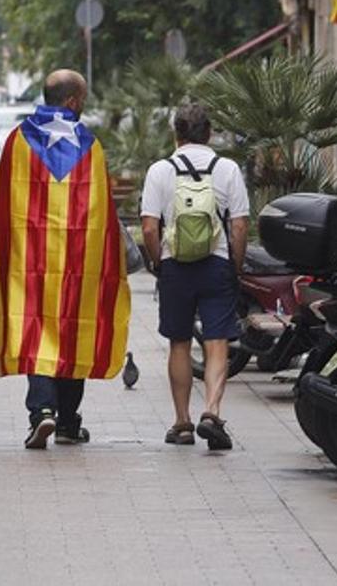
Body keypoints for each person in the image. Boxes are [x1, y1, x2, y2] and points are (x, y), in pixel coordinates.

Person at [0, 70, 132, 450]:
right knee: (73, 330)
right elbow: (102, 213)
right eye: (82, 98)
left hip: (28, 259)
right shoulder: (89, 145)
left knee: (34, 329)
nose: (83, 105)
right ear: (71, 101)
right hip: (78, 261)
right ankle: (68, 420)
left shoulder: (17, 141)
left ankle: (42, 413)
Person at [140, 103, 250, 451]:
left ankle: (182, 421)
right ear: (210, 134)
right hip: (216, 264)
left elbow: (148, 227)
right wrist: (235, 264)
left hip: (175, 266)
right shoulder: (227, 169)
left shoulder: (160, 170)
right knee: (217, 341)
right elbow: (240, 225)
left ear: (176, 134)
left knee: (179, 342)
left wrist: (160, 262)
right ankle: (212, 412)